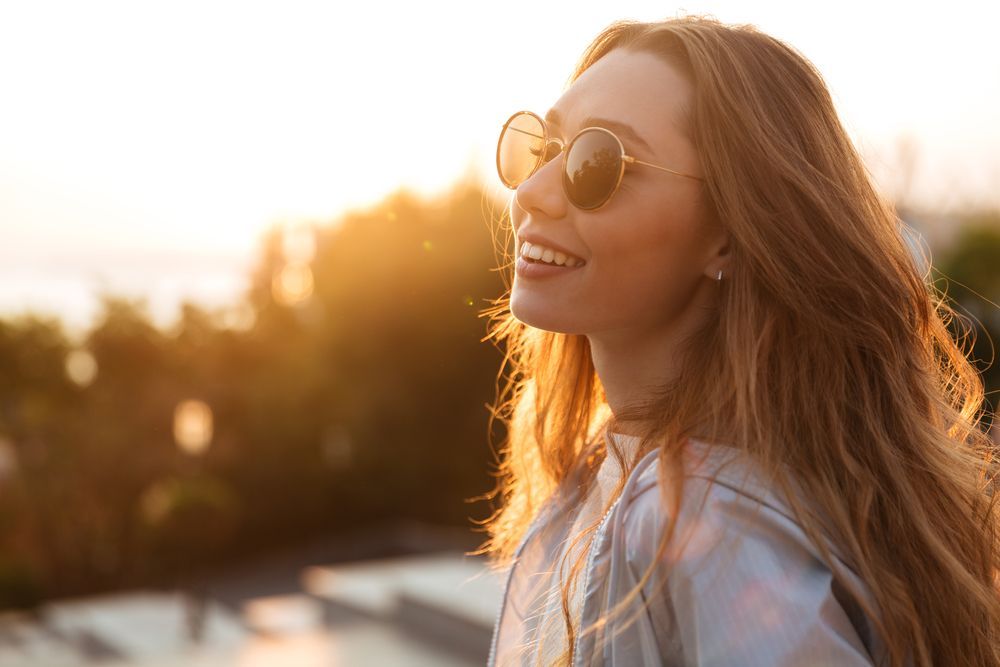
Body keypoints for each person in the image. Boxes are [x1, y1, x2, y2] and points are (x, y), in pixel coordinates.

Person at [472, 14, 1000, 667]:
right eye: (545, 147)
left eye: (597, 161)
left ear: (727, 231)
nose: (531, 192)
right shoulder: (630, 474)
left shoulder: (702, 517)